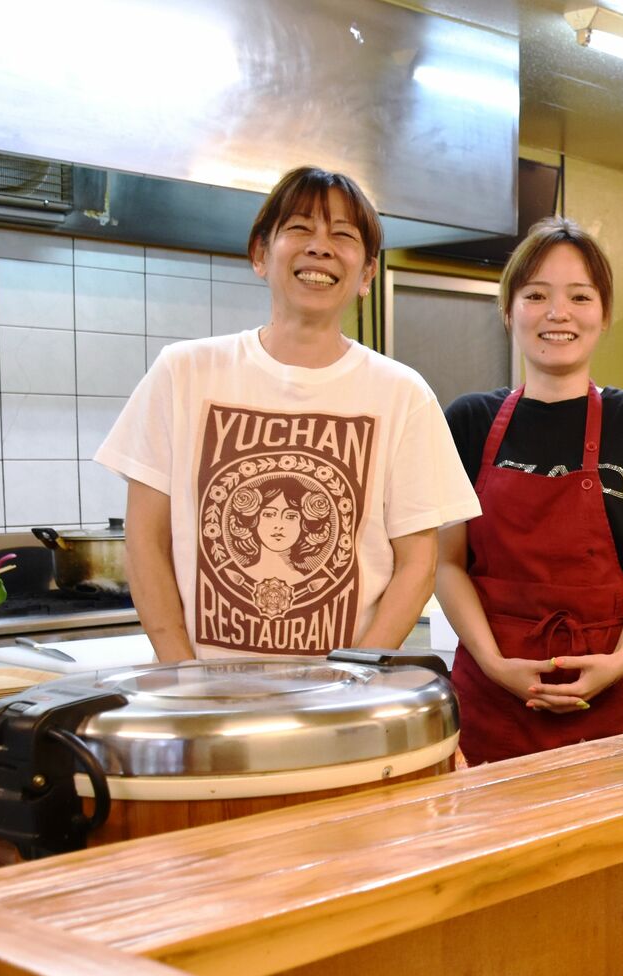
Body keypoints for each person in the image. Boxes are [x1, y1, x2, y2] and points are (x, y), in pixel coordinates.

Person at [95, 167, 479, 661]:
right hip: (201, 696)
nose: (320, 247)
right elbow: (145, 540)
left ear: (367, 274)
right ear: (260, 254)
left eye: (343, 235)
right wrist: (183, 675)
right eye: (300, 228)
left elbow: (417, 564)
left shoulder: (404, 395)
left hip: (343, 698)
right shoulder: (183, 372)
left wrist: (352, 680)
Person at [438, 217, 623, 764]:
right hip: (495, 700)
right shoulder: (468, 421)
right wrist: (494, 664)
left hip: (620, 699)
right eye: (536, 295)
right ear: (508, 310)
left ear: (604, 315)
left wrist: (621, 659)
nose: (557, 313)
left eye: (580, 297)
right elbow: (445, 562)